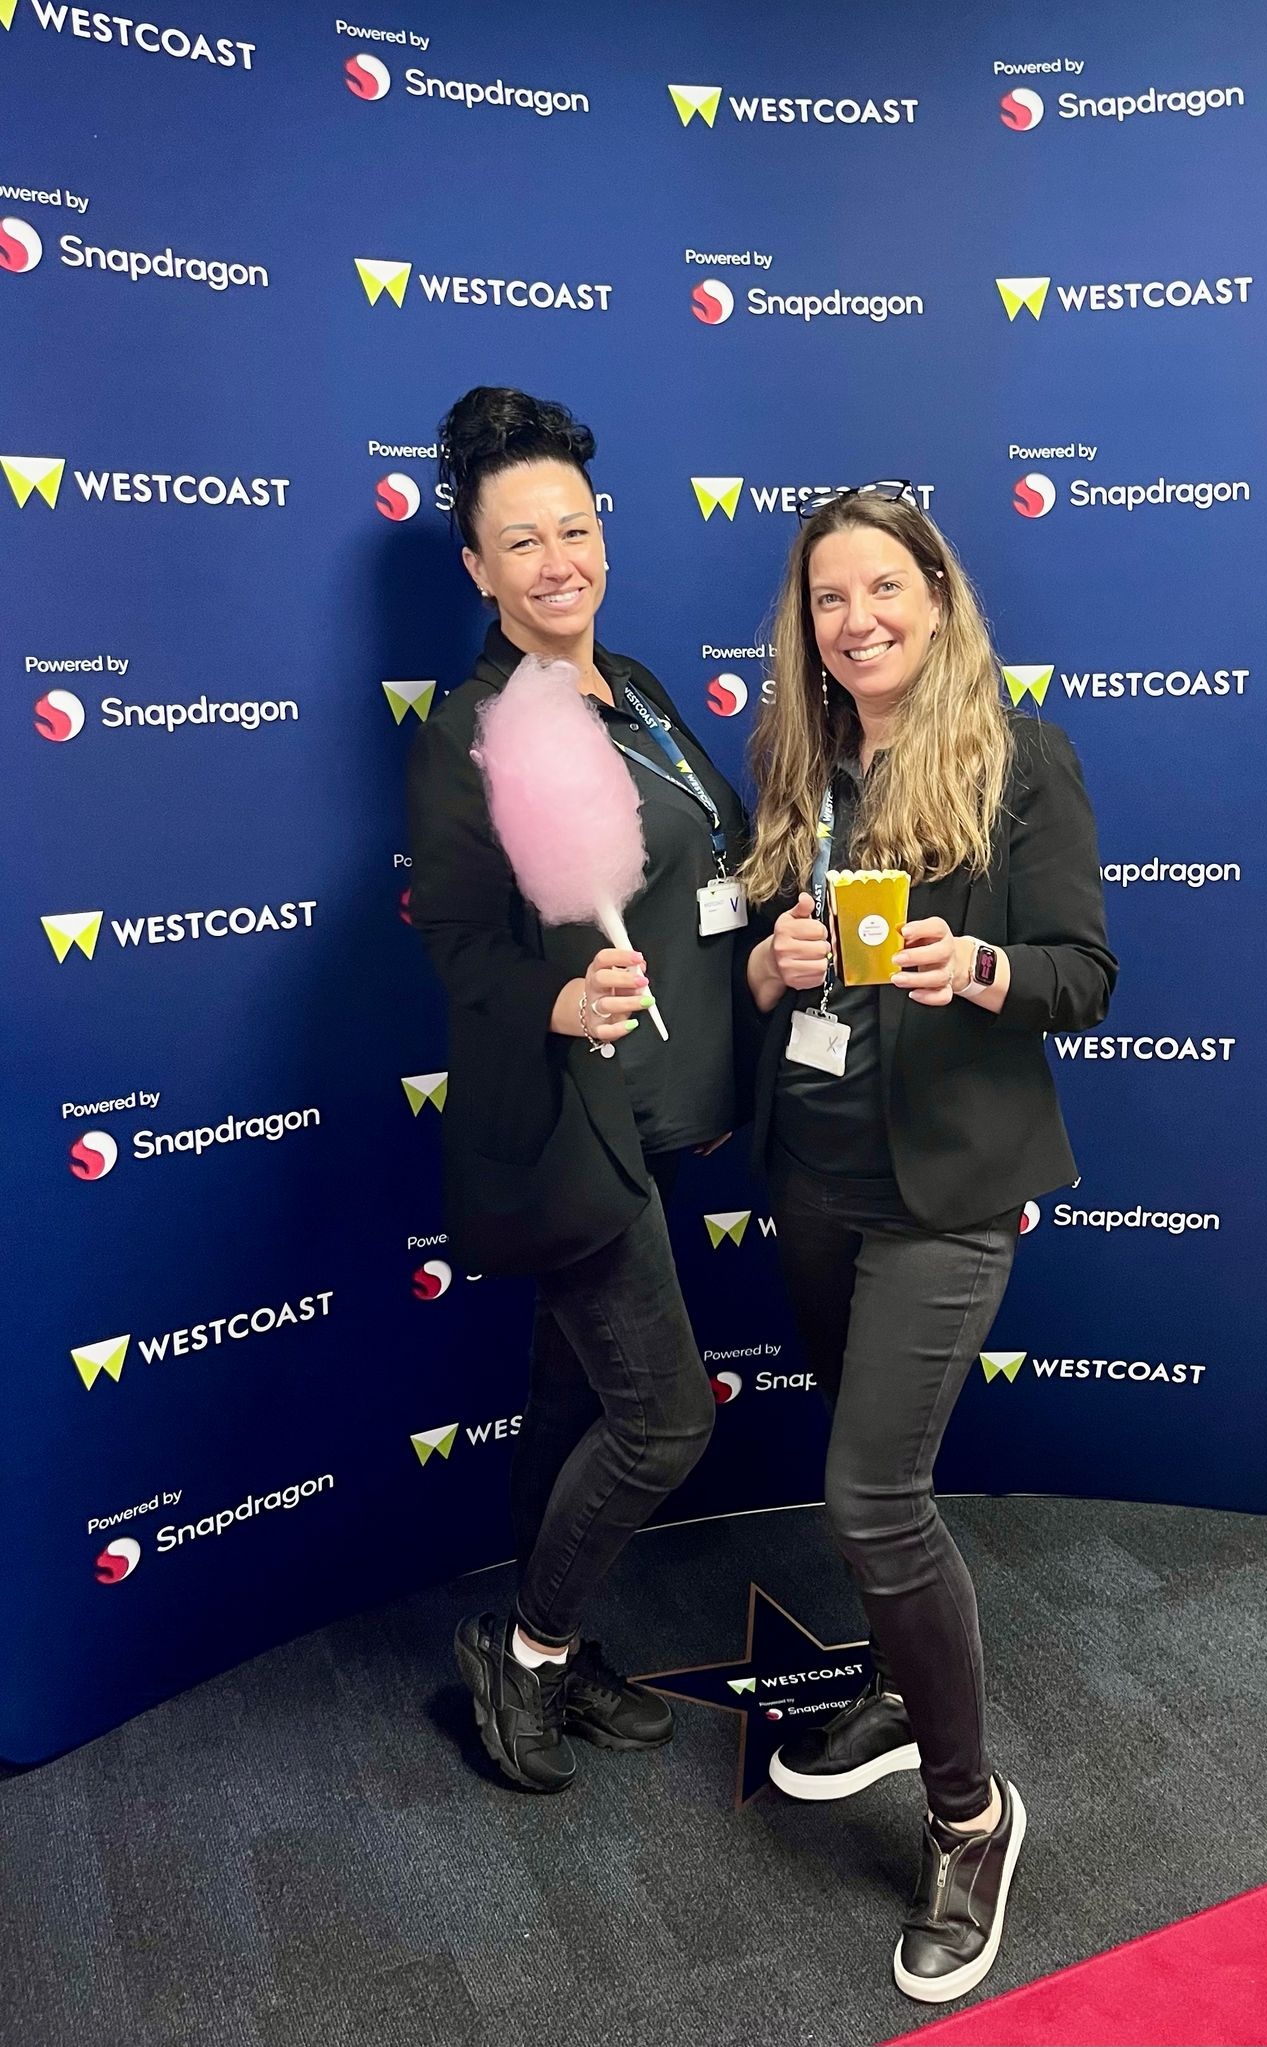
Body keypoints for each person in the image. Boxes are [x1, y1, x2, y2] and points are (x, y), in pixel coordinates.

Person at [738, 483, 1117, 2001]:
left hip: (948, 1191)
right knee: (867, 1469)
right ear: (808, 627)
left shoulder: (1021, 756)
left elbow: (1084, 974)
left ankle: (969, 1817)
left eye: (883, 588)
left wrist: (981, 968)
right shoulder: (798, 761)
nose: (859, 619)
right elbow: (752, 970)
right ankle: (901, 1693)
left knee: (871, 1501)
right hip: (815, 1176)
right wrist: (767, 964)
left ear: (937, 595)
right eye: (830, 599)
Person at [408, 388, 750, 1794]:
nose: (559, 558)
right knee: (666, 1419)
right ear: (477, 568)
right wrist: (554, 997)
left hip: (665, 1113)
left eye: (576, 527)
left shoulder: (647, 693)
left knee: (569, 1409)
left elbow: (701, 873)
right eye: (521, 540)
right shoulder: (468, 728)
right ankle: (528, 1647)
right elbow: (456, 942)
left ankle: (558, 1631)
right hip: (572, 1127)